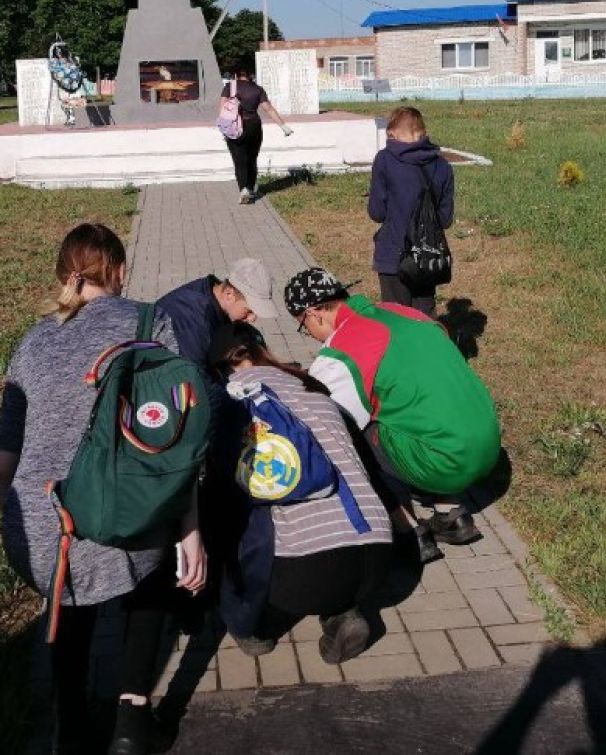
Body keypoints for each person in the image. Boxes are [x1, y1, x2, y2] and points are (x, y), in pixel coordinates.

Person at [0, 223, 207, 754]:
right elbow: (176, 445)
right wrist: (190, 531)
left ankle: (70, 726)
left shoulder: (32, 342)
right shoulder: (151, 322)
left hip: (49, 522)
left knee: (67, 598)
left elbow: (0, 464)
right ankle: (132, 720)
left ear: (63, 276)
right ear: (121, 272)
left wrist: (22, 518)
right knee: (149, 572)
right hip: (130, 504)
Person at [283, 267, 502, 563]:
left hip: (444, 461)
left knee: (349, 430)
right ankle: (452, 514)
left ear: (314, 314)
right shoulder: (401, 312)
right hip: (487, 447)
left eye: (303, 327)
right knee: (410, 413)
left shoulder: (344, 346)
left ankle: (409, 531)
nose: (310, 336)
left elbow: (323, 415)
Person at [207, 322, 393, 664]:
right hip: (379, 553)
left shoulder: (233, 401)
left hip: (306, 573)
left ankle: (253, 628)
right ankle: (343, 612)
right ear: (262, 350)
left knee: (232, 512)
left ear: (218, 369)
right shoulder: (312, 387)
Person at [367, 106, 455, 316]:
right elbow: (445, 219)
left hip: (393, 254)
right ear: (422, 132)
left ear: (393, 132)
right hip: (427, 256)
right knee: (425, 317)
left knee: (397, 318)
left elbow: (377, 213)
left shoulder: (385, 160)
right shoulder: (442, 165)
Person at [154, 257, 278, 370]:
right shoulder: (195, 319)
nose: (252, 318)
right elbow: (195, 378)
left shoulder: (211, 291)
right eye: (249, 310)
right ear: (229, 294)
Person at [221, 68, 292, 204]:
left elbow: (223, 107)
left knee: (239, 160)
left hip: (234, 126)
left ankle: (243, 189)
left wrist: (224, 127)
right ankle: (251, 188)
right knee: (252, 159)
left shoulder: (229, 87)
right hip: (254, 126)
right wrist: (283, 126)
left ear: (236, 75)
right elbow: (268, 109)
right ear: (251, 75)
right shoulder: (257, 89)